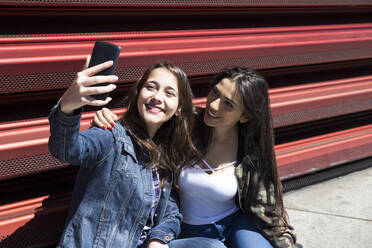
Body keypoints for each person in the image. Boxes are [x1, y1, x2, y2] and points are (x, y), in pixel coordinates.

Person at [92, 67, 297, 248]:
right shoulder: (184, 126)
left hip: (235, 224)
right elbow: (145, 120)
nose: (214, 105)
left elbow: (268, 213)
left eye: (228, 104)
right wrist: (109, 122)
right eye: (215, 93)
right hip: (185, 232)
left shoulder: (250, 151)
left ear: (244, 116)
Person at [48, 58, 224, 248]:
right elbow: (68, 150)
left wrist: (158, 240)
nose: (157, 97)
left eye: (169, 93)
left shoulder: (166, 152)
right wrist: (68, 107)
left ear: (179, 109)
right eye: (151, 87)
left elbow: (170, 212)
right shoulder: (112, 135)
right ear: (138, 93)